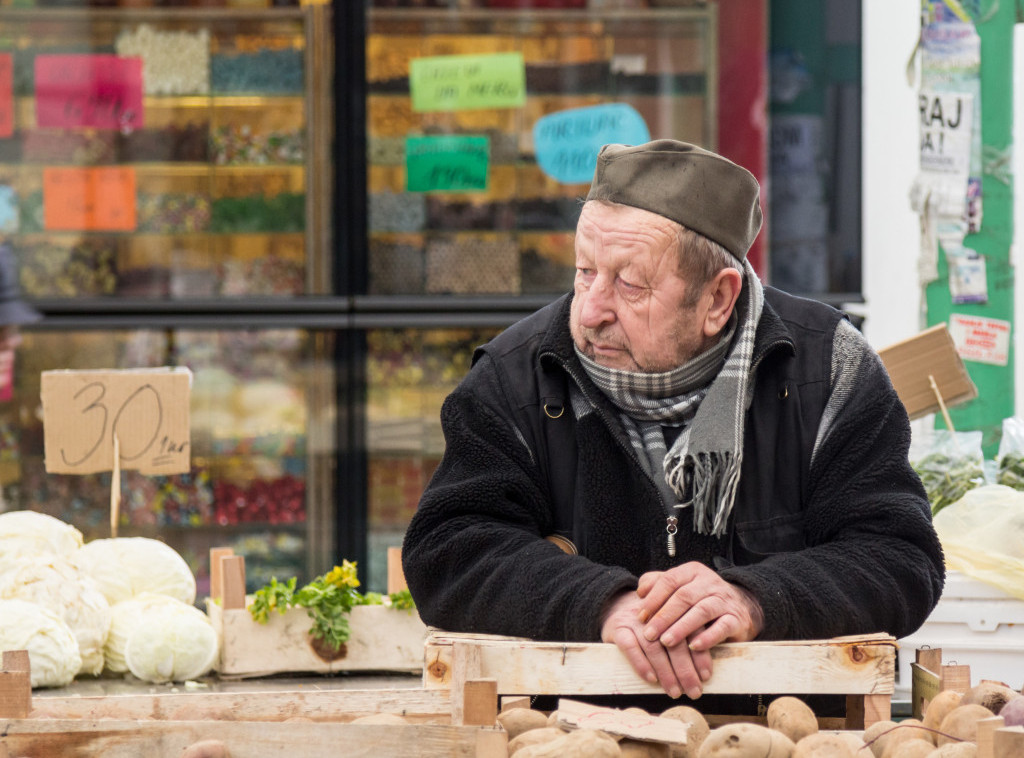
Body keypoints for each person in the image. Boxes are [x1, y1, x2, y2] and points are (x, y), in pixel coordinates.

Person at [402, 139, 944, 705]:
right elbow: (448, 550)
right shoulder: (513, 378)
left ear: (717, 300)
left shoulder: (831, 370)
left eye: (630, 284)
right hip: (565, 739)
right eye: (585, 271)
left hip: (782, 740)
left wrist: (753, 598)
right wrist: (600, 603)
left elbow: (899, 556)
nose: (589, 310)